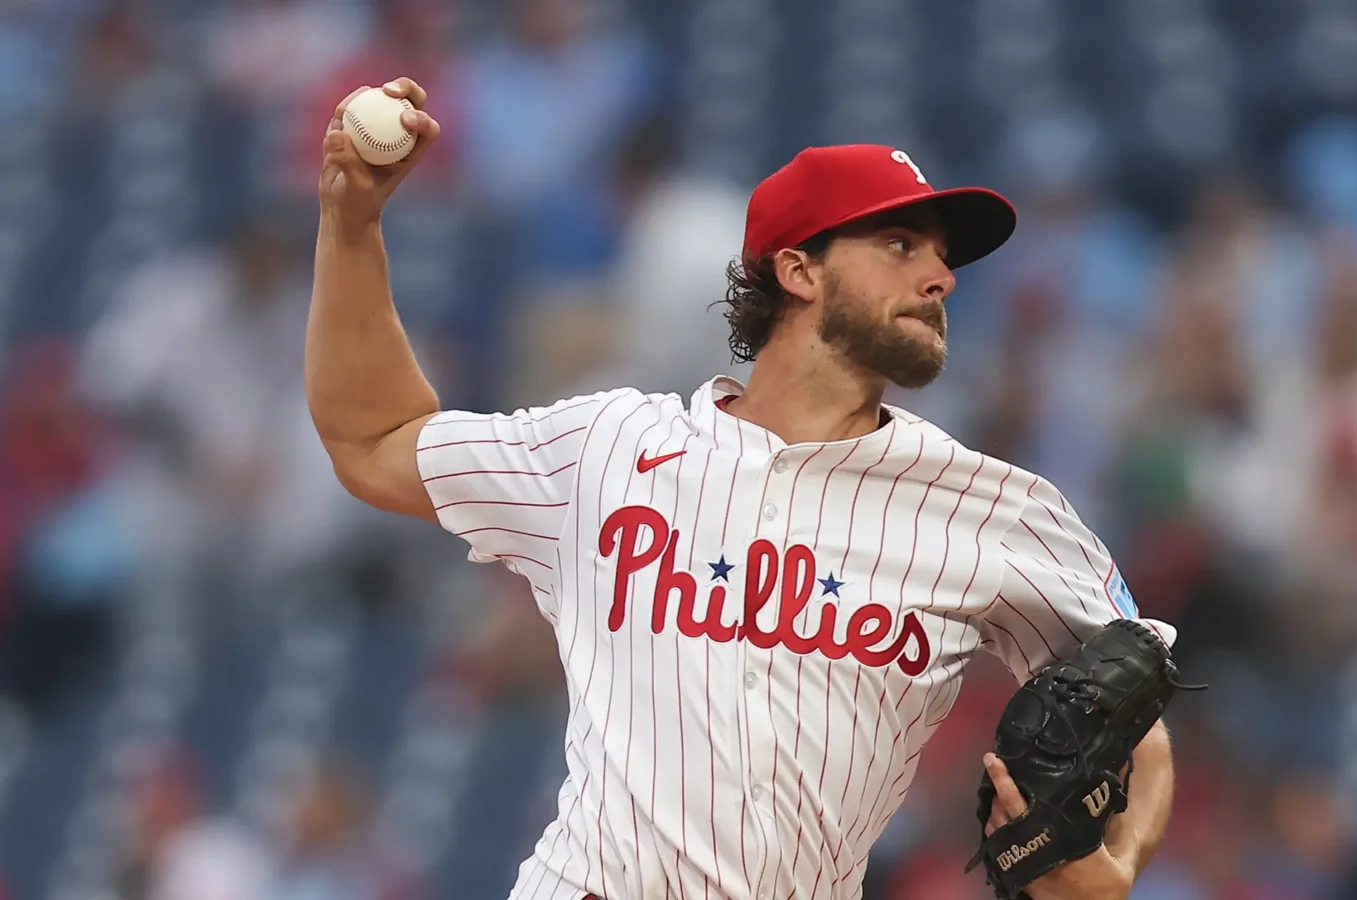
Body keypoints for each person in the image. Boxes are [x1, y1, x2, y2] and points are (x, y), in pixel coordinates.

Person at [307, 78, 1180, 900]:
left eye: (943, 257)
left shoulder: (991, 508)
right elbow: (374, 441)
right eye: (900, 246)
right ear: (799, 271)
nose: (940, 277)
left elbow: (1137, 709)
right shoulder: (610, 447)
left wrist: (1121, 864)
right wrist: (352, 225)